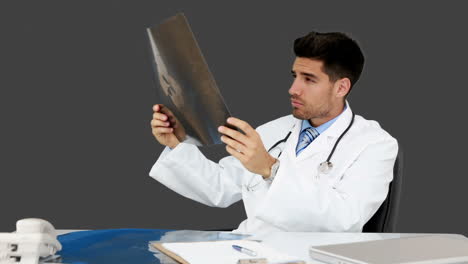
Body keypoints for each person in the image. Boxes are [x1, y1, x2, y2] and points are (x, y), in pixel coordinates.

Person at [149, 31, 398, 234]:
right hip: (247, 250)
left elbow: (346, 219)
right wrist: (176, 144)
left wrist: (271, 169)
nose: (293, 89)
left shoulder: (374, 144)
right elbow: (219, 187)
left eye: (309, 79)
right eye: (294, 76)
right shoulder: (274, 130)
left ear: (341, 87)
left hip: (315, 257)